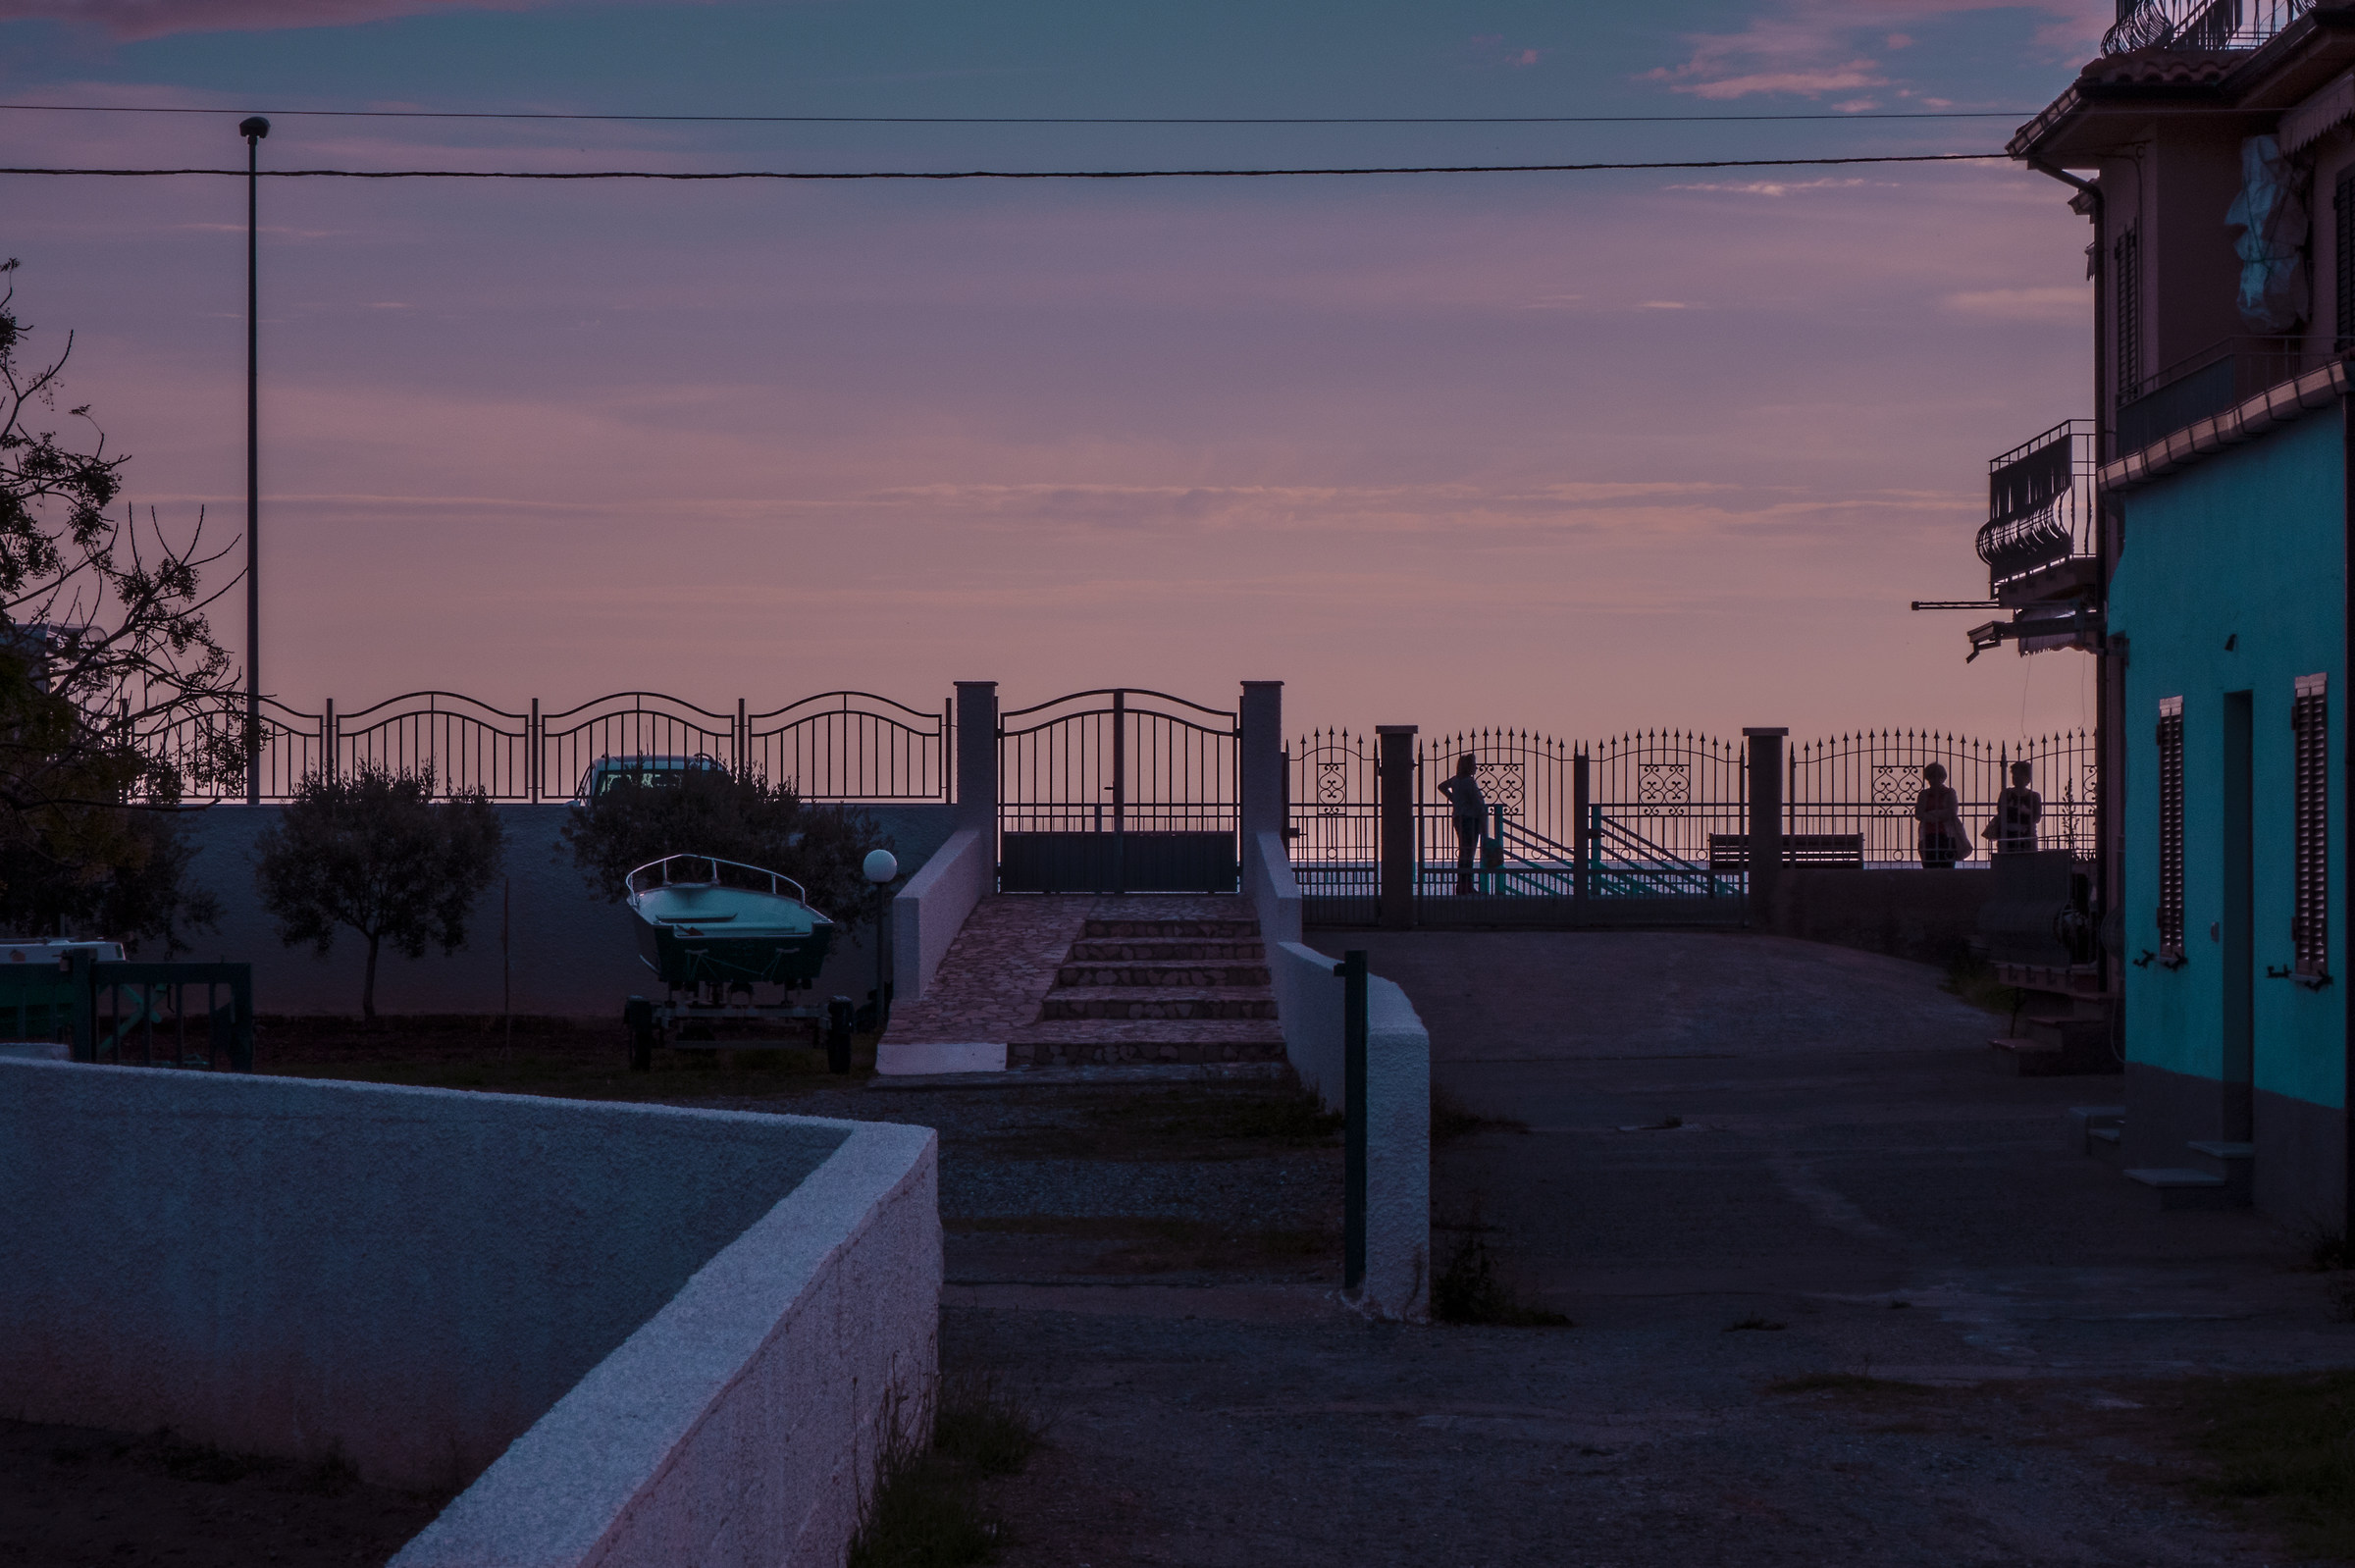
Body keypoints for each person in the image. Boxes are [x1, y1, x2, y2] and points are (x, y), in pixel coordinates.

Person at [1438, 753, 1487, 895]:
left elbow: (1441, 786)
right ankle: (1466, 887)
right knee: (1468, 854)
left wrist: (1454, 799)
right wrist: (1484, 824)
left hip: (1458, 818)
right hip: (1470, 819)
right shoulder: (1469, 782)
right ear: (1468, 766)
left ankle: (1462, 886)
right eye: (1474, 765)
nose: (1476, 768)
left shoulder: (1456, 780)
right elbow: (1477, 805)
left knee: (1463, 853)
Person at [1913, 761, 1965, 869]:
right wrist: (1939, 815)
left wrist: (1930, 815)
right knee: (1929, 865)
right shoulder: (1924, 794)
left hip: (1947, 835)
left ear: (1943, 778)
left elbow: (1952, 812)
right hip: (1928, 835)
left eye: (1938, 777)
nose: (1935, 780)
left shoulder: (1949, 793)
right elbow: (1918, 814)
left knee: (1947, 866)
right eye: (1931, 777)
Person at [1985, 760, 2043, 854]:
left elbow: (2036, 818)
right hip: (2007, 838)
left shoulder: (2034, 796)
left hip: (2027, 838)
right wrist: (2024, 813)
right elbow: (2001, 813)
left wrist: (2013, 812)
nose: (2016, 778)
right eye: (2014, 775)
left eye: (2019, 775)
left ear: (2027, 778)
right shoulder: (2006, 794)